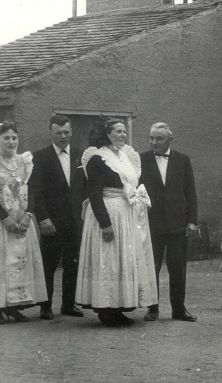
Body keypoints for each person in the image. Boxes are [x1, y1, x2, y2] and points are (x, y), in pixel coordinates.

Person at [75, 119, 158, 326]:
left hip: (126, 215)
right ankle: (106, 310)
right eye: (118, 131)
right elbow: (94, 193)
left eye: (124, 131)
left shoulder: (125, 156)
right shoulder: (97, 158)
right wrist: (105, 224)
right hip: (109, 214)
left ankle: (118, 307)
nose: (123, 135)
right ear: (107, 134)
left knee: (123, 261)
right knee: (109, 262)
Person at [140, 122, 198, 322]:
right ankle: (152, 308)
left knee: (178, 268)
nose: (154, 142)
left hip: (177, 223)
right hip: (151, 223)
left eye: (159, 138)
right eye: (152, 138)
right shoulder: (141, 160)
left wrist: (192, 221)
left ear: (169, 140)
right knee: (151, 267)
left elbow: (190, 191)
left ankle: (179, 310)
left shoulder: (182, 160)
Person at [28, 114, 86, 320]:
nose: (63, 136)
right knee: (49, 264)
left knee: (73, 263)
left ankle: (68, 305)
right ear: (50, 132)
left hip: (75, 220)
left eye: (66, 132)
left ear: (71, 132)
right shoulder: (40, 157)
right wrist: (43, 218)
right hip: (51, 222)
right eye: (59, 133)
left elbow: (85, 189)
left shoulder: (81, 156)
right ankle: (46, 305)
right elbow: (35, 191)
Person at [0, 121, 48, 323]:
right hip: (3, 222)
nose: (11, 142)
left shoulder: (25, 161)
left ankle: (14, 306)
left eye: (14, 137)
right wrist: (4, 218)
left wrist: (28, 215)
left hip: (22, 221)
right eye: (6, 138)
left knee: (22, 263)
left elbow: (33, 190)